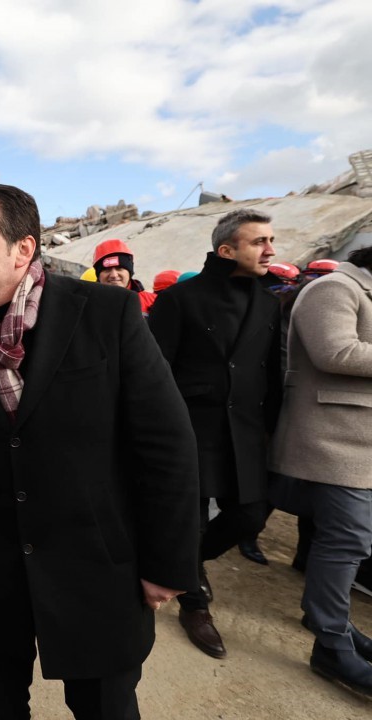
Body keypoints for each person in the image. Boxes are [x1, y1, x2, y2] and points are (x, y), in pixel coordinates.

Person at [0, 184, 199, 719]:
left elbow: (167, 444)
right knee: (1, 702)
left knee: (104, 706)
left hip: (95, 563)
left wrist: (168, 562)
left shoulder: (107, 314)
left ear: (23, 249)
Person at [148, 207, 282, 660]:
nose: (270, 249)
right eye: (259, 241)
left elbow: (274, 371)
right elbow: (155, 372)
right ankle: (195, 604)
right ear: (227, 250)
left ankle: (187, 564)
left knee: (252, 514)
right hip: (192, 427)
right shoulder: (181, 300)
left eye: (270, 240)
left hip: (245, 429)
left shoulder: (268, 302)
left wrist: (273, 427)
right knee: (193, 518)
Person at [269, 245, 372, 696]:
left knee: (345, 538)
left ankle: (337, 628)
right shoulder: (335, 288)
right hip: (334, 440)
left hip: (356, 442)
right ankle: (331, 641)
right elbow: (337, 353)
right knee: (348, 538)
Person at [91, 239, 155, 316]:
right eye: (107, 270)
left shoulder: (153, 301)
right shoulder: (86, 305)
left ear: (129, 272)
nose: (114, 275)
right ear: (98, 275)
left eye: (119, 268)